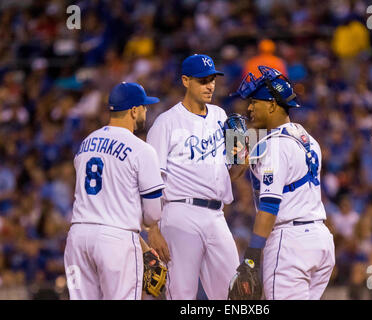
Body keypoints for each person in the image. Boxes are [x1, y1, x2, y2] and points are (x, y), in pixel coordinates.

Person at [231, 66, 335, 299]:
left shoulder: (275, 146)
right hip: (320, 241)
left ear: (271, 105)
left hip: (290, 243)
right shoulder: (306, 138)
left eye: (254, 102)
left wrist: (251, 259)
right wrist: (237, 155)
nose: (249, 108)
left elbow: (269, 207)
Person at [146, 54, 242, 299]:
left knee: (235, 292)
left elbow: (234, 172)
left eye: (212, 80)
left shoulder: (222, 116)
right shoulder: (166, 122)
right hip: (180, 213)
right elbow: (151, 179)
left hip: (216, 214)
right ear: (186, 81)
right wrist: (152, 229)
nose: (210, 85)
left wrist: (244, 154)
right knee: (182, 293)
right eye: (203, 80)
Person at [64, 82, 165, 299]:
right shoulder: (142, 149)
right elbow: (153, 213)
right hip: (115, 242)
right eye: (144, 107)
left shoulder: (86, 142)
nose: (146, 111)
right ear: (134, 110)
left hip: (78, 237)